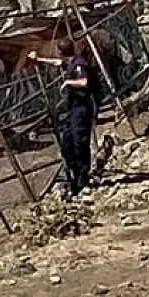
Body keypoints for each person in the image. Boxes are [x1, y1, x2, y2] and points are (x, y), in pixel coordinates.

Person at [28, 39, 98, 198]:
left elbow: (83, 81)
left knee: (79, 141)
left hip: (82, 108)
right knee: (67, 142)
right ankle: (73, 172)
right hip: (72, 109)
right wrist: (38, 59)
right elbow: (57, 62)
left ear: (61, 50)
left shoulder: (79, 64)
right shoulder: (70, 61)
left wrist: (68, 82)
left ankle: (82, 176)